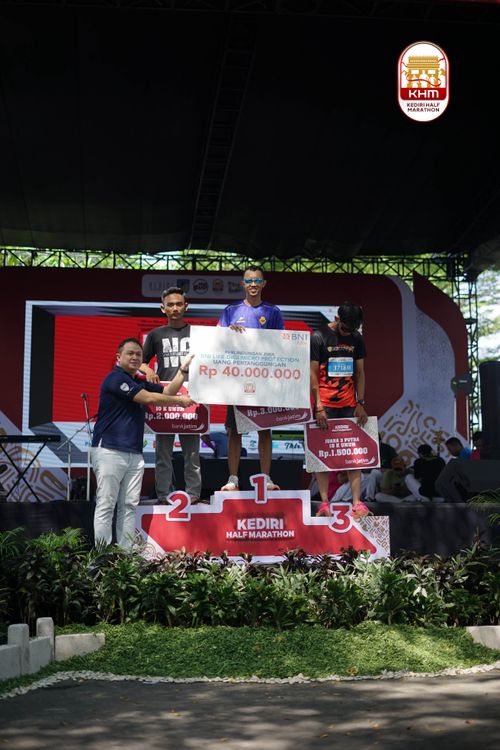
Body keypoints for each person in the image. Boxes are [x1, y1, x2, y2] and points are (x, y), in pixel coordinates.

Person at [91, 338, 194, 549]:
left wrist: (183, 370)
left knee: (129, 506)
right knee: (106, 504)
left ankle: (125, 555)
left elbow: (167, 392)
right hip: (109, 450)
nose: (135, 357)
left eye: (138, 354)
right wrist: (180, 401)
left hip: (134, 452)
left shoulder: (137, 381)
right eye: (130, 353)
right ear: (118, 357)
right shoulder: (115, 378)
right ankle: (101, 555)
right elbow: (148, 399)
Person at [218, 265, 284, 491]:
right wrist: (229, 332)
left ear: (264, 284)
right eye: (248, 281)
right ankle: (233, 479)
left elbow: (281, 345)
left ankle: (266, 478)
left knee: (265, 430)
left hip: (263, 381)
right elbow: (217, 340)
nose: (253, 284)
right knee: (234, 431)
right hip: (237, 381)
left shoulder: (273, 311)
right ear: (242, 284)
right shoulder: (231, 310)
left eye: (257, 280)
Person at [141, 287, 202, 503]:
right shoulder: (155, 335)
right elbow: (140, 362)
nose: (175, 308)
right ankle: (163, 495)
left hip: (191, 398)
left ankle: (194, 494)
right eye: (170, 305)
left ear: (186, 306)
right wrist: (147, 370)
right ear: (163, 308)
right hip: (164, 398)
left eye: (179, 304)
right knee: (163, 453)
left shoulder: (198, 334)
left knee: (192, 454)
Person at [310, 302, 369, 518]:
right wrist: (318, 406)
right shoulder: (319, 337)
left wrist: (360, 403)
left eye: (352, 329)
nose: (347, 332)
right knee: (322, 454)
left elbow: (360, 373)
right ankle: (324, 504)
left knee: (353, 454)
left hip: (349, 405)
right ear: (337, 318)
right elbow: (312, 374)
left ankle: (357, 503)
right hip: (325, 405)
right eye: (345, 328)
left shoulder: (356, 338)